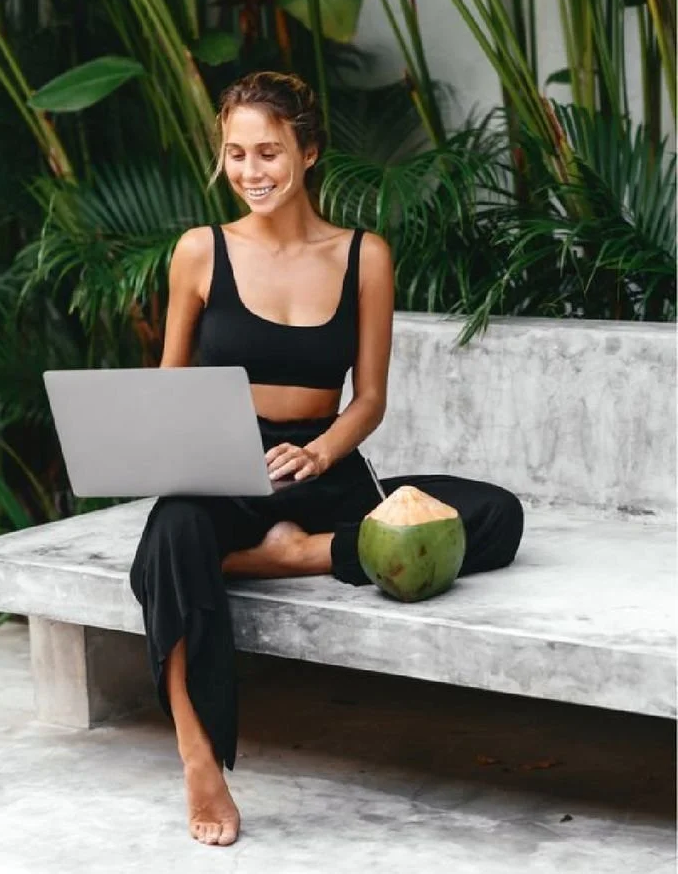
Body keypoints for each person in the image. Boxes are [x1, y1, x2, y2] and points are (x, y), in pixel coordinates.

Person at [129, 71, 524, 848]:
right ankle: (197, 752)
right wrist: (171, 451)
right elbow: (169, 386)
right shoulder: (198, 253)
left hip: (321, 467)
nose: (251, 171)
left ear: (307, 152)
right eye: (236, 153)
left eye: (268, 152)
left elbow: (368, 398)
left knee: (493, 515)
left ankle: (298, 552)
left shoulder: (362, 256)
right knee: (172, 536)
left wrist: (319, 451)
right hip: (223, 463)